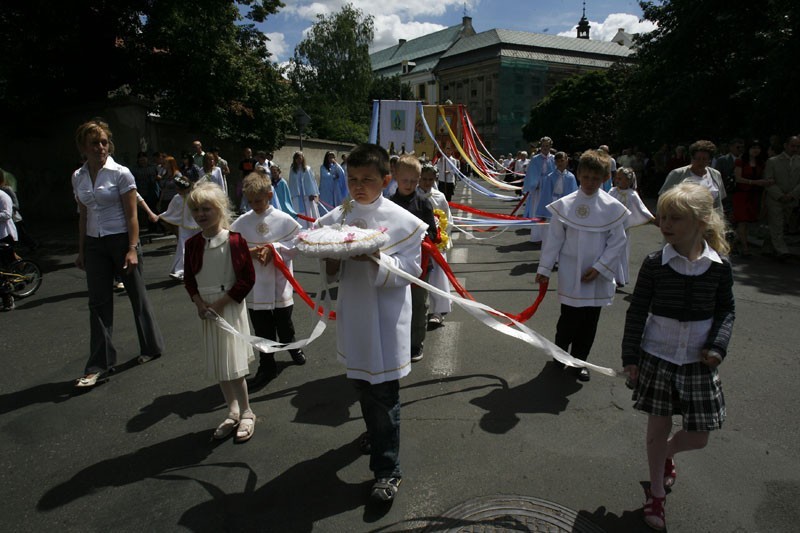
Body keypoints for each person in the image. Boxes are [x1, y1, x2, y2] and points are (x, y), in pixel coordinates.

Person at [317, 143, 427, 503]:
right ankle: (375, 433)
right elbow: (330, 271)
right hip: (354, 316)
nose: (358, 186)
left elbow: (412, 272)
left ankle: (387, 470)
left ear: (386, 179)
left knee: (384, 393)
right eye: (352, 179)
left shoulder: (404, 221)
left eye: (367, 179)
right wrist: (332, 258)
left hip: (385, 318)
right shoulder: (338, 216)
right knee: (363, 385)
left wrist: (376, 256)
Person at [622, 182, 735, 531]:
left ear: (701, 223)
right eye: (663, 217)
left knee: (699, 435)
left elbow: (726, 311)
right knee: (657, 427)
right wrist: (631, 357)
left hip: (698, 363)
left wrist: (717, 346)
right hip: (657, 357)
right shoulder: (655, 263)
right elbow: (637, 311)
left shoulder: (718, 267)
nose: (665, 224)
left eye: (675, 219)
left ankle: (666, 454)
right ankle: (656, 492)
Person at [71, 119, 164, 388]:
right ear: (83, 147)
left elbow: (132, 215)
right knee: (98, 304)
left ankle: (151, 346)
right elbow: (83, 215)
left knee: (137, 295)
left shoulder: (121, 173)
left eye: (104, 142)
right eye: (94, 143)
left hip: (122, 240)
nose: (101, 147)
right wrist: (81, 251)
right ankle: (99, 364)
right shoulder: (77, 177)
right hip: (94, 243)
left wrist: (132, 248)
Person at [534, 149, 629, 382]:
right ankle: (560, 354)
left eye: (596, 179)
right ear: (578, 175)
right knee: (568, 318)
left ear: (605, 178)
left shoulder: (612, 207)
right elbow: (553, 239)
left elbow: (618, 242)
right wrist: (544, 269)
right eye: (586, 177)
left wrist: (600, 267)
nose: (590, 182)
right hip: (571, 272)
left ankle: (579, 362)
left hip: (597, 276)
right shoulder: (565, 205)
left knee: (589, 321)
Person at [184, 182, 257, 443]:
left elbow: (247, 279)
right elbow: (190, 279)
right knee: (219, 363)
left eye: (206, 208)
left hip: (229, 306)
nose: (201, 214)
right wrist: (199, 303)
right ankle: (232, 410)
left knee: (234, 365)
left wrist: (220, 303)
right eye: (195, 210)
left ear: (220, 209)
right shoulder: (192, 244)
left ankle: (247, 411)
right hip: (207, 309)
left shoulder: (235, 241)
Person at [231, 174, 305, 388]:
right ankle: (267, 364)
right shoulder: (242, 222)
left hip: (279, 280)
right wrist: (252, 252)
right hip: (255, 284)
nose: (255, 206)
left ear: (269, 195)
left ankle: (292, 345)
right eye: (251, 201)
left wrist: (274, 250)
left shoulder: (283, 219)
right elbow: (231, 246)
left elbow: (297, 243)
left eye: (259, 201)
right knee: (262, 326)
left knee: (284, 322)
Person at [390, 154, 437, 362]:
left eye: (413, 181)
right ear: (395, 177)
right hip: (395, 264)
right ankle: (398, 341)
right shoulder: (388, 205)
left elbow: (434, 235)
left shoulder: (424, 205)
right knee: (396, 304)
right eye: (404, 180)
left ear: (418, 180)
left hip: (420, 265)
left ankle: (415, 343)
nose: (409, 185)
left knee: (419, 305)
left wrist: (420, 238)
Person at [419, 163, 453, 326]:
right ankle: (419, 308)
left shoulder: (439, 197)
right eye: (424, 179)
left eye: (430, 180)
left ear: (435, 180)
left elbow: (447, 218)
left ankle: (438, 310)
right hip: (418, 242)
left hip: (436, 241)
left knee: (438, 275)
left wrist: (443, 236)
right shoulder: (413, 195)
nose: (426, 183)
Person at [609, 168, 654, 286]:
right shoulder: (612, 191)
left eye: (620, 178)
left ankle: (620, 277)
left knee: (621, 251)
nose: (617, 180)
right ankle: (609, 273)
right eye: (616, 178)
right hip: (610, 225)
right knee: (609, 248)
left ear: (628, 181)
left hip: (623, 227)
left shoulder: (632, 194)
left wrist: (652, 218)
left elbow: (642, 209)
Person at [659, 140, 726, 214]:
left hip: (711, 219)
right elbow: (663, 198)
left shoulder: (716, 174)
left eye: (704, 159)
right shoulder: (678, 174)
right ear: (692, 158)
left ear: (709, 160)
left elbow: (720, 199)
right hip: (685, 218)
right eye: (697, 158)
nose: (701, 162)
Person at [157, 175, 200, 281]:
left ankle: (194, 270)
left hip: (198, 226)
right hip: (185, 227)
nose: (177, 190)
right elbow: (170, 212)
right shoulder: (177, 198)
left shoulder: (196, 196)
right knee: (183, 248)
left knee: (199, 248)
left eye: (179, 188)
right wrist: (160, 216)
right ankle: (179, 271)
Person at [763, 136, 800, 260]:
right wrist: (780, 195)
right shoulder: (773, 161)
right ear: (786, 145)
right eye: (792, 146)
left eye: (797, 146)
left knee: (781, 225)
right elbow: (768, 180)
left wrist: (792, 195)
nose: (795, 149)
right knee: (777, 223)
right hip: (775, 199)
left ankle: (767, 248)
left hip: (792, 198)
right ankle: (782, 251)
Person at [732, 141, 770, 256]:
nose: (755, 150)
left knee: (747, 222)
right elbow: (738, 178)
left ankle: (734, 244)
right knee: (742, 221)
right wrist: (754, 182)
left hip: (754, 195)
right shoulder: (740, 161)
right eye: (753, 147)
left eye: (758, 148)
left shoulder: (761, 163)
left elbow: (764, 178)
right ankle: (745, 248)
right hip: (741, 194)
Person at [532, 151, 577, 244]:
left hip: (565, 205)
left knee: (564, 229)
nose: (560, 163)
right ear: (555, 162)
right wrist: (543, 212)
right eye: (558, 161)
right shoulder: (550, 177)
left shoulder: (571, 177)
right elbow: (545, 195)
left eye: (562, 161)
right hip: (553, 203)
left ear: (566, 161)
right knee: (551, 230)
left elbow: (573, 194)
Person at [523, 137, 555, 225]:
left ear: (550, 146)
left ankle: (548, 229)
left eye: (547, 146)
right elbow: (531, 173)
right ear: (541, 146)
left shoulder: (553, 158)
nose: (545, 148)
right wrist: (534, 184)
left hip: (549, 186)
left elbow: (555, 172)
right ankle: (537, 231)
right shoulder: (535, 159)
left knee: (549, 205)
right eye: (543, 146)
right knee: (537, 205)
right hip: (539, 186)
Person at [288, 151, 319, 228]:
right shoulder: (293, 170)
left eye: (300, 157)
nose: (299, 159)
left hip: (307, 195)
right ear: (294, 159)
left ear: (303, 158)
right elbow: (291, 183)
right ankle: (300, 227)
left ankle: (311, 227)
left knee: (309, 211)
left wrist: (313, 193)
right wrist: (292, 194)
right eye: (297, 158)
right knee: (299, 212)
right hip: (297, 195)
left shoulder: (307, 169)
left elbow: (312, 182)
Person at [0, 186, 18, 311]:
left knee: (2, 269)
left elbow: (7, 214)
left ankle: (8, 298)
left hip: (4, 235)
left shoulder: (3, 196)